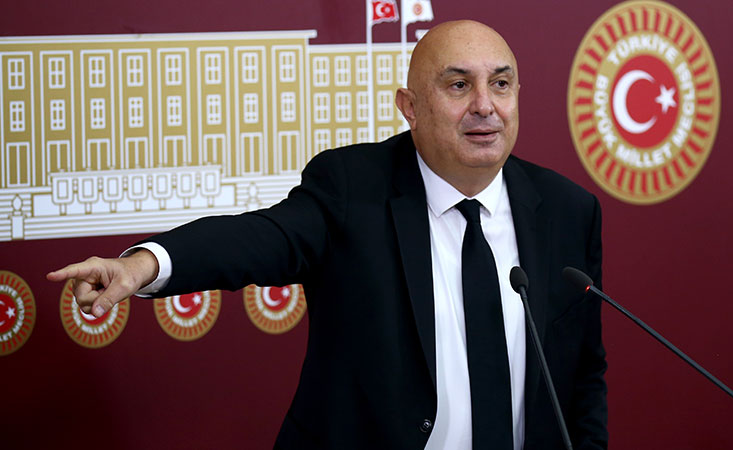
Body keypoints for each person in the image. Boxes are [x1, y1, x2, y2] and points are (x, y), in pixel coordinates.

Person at [48, 20, 607, 450]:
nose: (484, 105)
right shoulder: (351, 187)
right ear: (410, 107)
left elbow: (582, 375)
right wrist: (142, 265)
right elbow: (260, 238)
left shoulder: (567, 210)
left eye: (500, 84)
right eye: (458, 85)